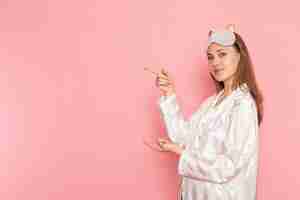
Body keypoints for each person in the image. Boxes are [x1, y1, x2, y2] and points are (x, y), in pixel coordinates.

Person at [154, 24, 263, 200]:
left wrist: (182, 153)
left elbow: (228, 166)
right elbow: (183, 137)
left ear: (240, 56)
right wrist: (169, 94)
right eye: (210, 57)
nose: (215, 62)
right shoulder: (212, 103)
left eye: (222, 54)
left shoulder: (242, 105)